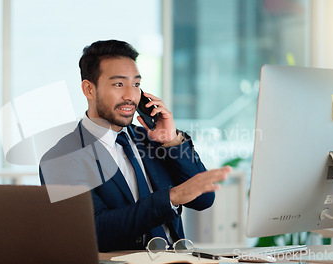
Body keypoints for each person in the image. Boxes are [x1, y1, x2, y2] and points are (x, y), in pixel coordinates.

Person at [40, 39, 231, 252]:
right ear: (89, 89)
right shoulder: (60, 158)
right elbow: (93, 231)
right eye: (119, 84)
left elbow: (203, 200)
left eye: (136, 84)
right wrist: (171, 198)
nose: (131, 96)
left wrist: (172, 141)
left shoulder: (152, 139)